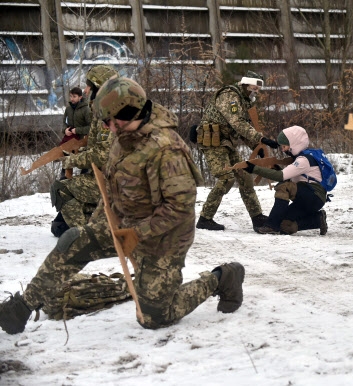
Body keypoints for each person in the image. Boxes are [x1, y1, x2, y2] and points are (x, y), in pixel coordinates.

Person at [0, 77, 245, 334]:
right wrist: (95, 230)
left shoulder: (166, 150)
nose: (109, 128)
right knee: (74, 241)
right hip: (126, 222)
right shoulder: (123, 138)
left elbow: (179, 209)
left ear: (129, 112)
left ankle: (221, 278)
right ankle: (22, 307)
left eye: (111, 122)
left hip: (164, 236)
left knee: (154, 317)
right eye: (105, 122)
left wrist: (136, 235)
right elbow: (113, 191)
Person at [195, 70, 279, 231]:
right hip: (213, 143)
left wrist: (257, 148)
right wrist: (260, 139)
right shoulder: (229, 96)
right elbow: (237, 123)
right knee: (226, 178)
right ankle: (205, 218)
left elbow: (242, 128)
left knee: (245, 176)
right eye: (255, 87)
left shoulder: (244, 100)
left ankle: (257, 217)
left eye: (258, 88)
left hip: (227, 143)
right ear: (246, 84)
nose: (257, 91)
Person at [50, 65, 119, 237]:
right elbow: (93, 147)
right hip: (103, 177)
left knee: (60, 189)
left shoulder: (110, 113)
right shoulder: (100, 110)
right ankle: (93, 225)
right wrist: (71, 152)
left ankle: (88, 236)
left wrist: (70, 160)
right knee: (61, 222)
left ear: (99, 88)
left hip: (115, 182)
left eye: (89, 86)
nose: (85, 90)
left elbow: (101, 155)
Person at [243, 125, 328, 235]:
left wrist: (254, 169)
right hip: (306, 200)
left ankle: (271, 225)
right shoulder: (299, 158)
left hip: (314, 196)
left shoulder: (303, 160)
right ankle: (318, 219)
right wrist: (274, 168)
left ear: (294, 144)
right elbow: (289, 174)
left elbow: (281, 176)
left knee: (283, 186)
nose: (282, 150)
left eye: (284, 146)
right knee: (284, 226)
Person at [58, 86, 91, 180]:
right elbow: (64, 122)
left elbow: (91, 127)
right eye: (71, 96)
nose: (72, 99)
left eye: (74, 96)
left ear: (80, 97)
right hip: (70, 142)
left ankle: (83, 182)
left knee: (84, 168)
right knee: (66, 163)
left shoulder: (86, 110)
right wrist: (65, 130)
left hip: (83, 143)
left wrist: (77, 130)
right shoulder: (68, 109)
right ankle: (65, 182)